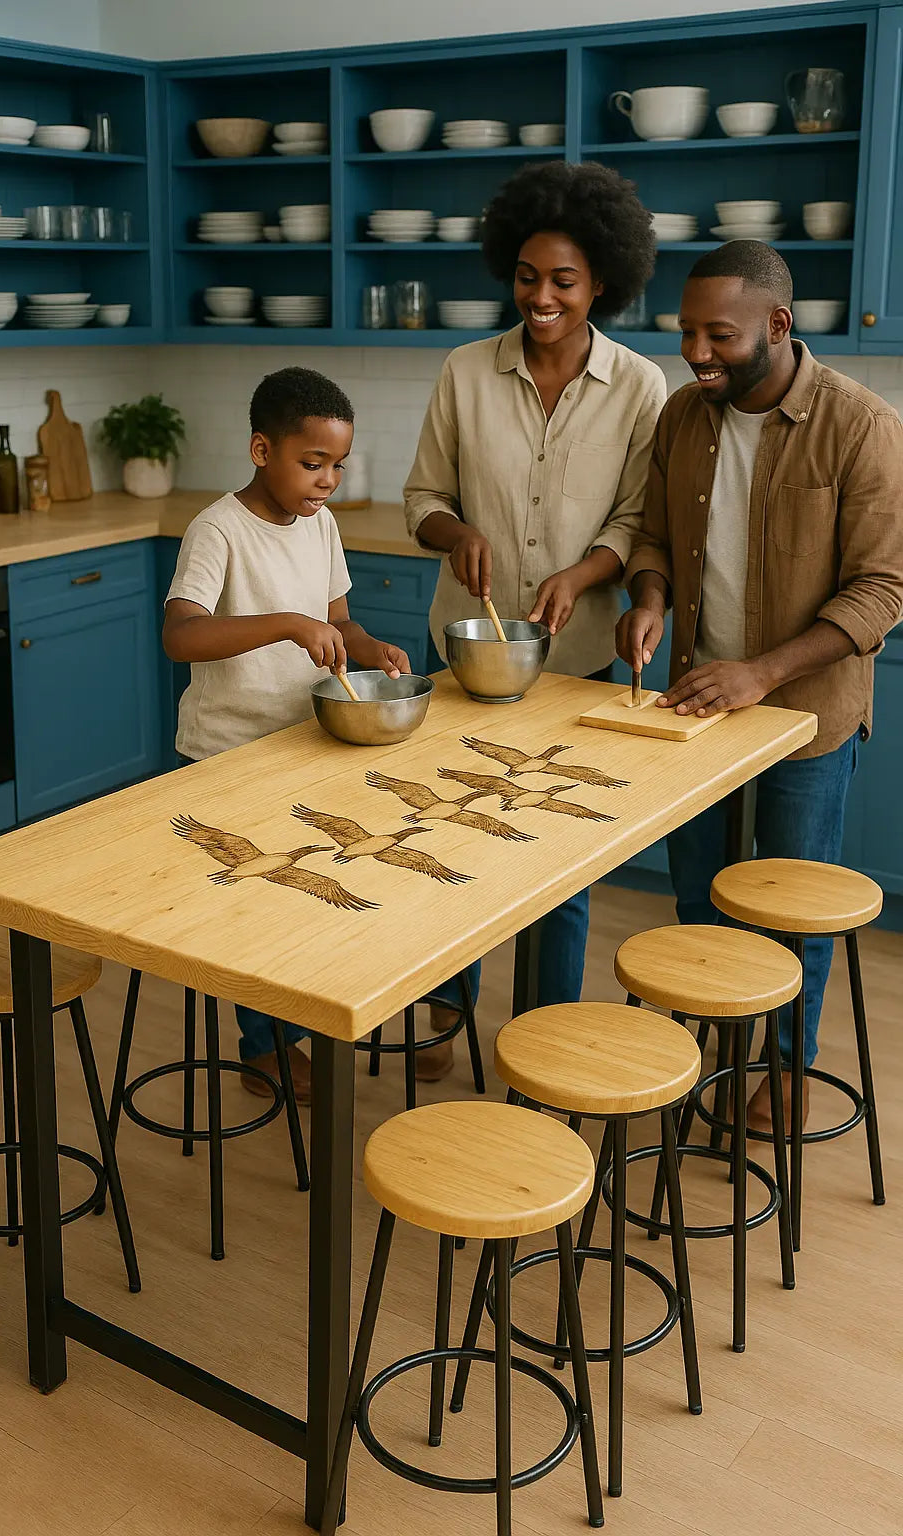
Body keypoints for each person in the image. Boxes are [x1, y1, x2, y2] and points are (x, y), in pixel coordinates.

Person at [617, 240, 903, 1129]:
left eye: (719, 336)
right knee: (698, 893)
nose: (697, 353)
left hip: (804, 716)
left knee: (786, 902)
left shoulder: (861, 425)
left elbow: (884, 588)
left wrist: (761, 674)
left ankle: (785, 1065)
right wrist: (650, 598)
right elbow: (656, 536)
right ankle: (705, 1044)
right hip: (696, 707)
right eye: (686, 333)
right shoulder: (683, 417)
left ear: (779, 325)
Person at [403, 159, 667, 1078]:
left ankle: (545, 1031)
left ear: (602, 281)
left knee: (559, 856)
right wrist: (455, 530)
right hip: (469, 652)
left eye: (563, 280)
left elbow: (636, 522)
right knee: (451, 834)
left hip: (580, 654)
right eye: (527, 276)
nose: (541, 296)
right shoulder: (464, 371)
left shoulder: (641, 386)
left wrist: (584, 573)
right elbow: (422, 496)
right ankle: (444, 1006)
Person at [163, 366, 410, 1104]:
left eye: (337, 464)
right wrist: (286, 624)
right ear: (261, 449)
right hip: (224, 754)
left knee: (306, 897)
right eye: (313, 463)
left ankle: (297, 1026)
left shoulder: (321, 524)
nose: (327, 480)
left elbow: (335, 621)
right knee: (257, 911)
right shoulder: (218, 530)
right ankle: (264, 1047)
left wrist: (369, 648)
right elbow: (181, 636)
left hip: (300, 743)